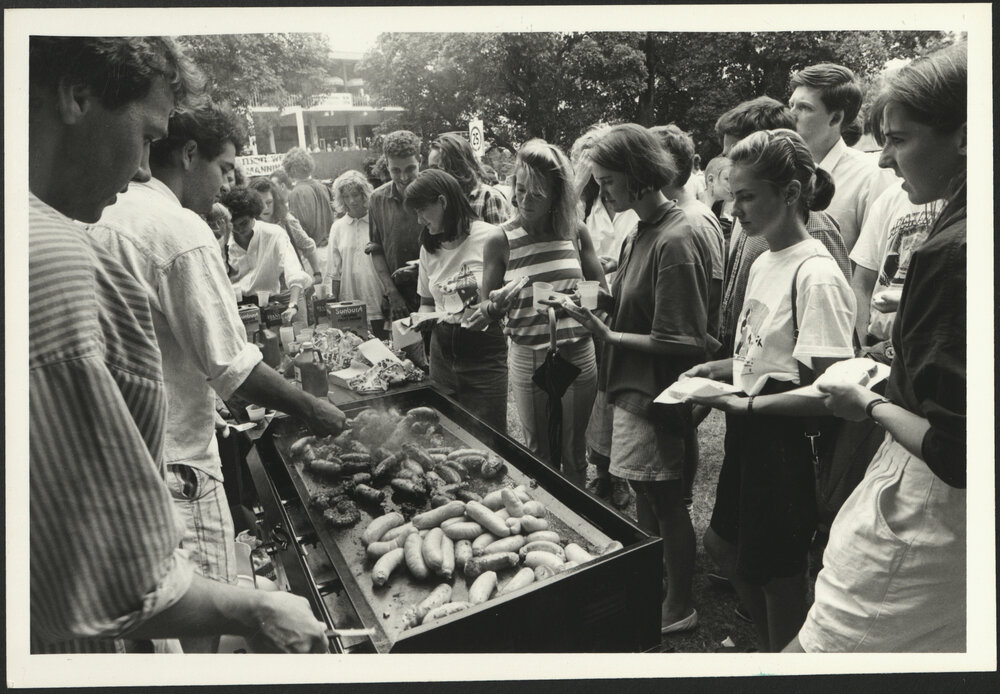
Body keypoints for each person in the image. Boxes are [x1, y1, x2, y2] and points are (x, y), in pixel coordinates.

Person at [28, 36, 327, 654]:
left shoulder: (82, 221)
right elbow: (113, 590)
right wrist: (256, 607)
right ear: (75, 97)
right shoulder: (74, 248)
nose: (142, 165)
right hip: (174, 486)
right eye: (143, 136)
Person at [88, 102, 348, 653]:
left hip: (123, 464)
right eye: (225, 167)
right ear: (187, 154)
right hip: (180, 465)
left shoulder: (101, 211)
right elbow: (236, 371)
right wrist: (314, 409)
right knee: (198, 632)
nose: (227, 184)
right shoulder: (179, 228)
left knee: (153, 638)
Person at [788, 42, 967, 653]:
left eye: (900, 139)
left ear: (966, 136)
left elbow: (957, 449)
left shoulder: (953, 252)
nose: (886, 160)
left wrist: (864, 403)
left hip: (928, 514)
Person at [684, 129, 857, 652]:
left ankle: (788, 660)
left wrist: (748, 401)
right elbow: (762, 353)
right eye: (732, 194)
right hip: (748, 430)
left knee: (780, 577)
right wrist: (724, 369)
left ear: (791, 193)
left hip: (785, 449)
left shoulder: (816, 274)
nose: (734, 209)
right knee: (722, 547)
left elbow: (833, 394)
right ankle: (771, 651)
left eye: (748, 195)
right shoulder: (763, 259)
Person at [562, 123, 714, 636]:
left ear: (638, 175)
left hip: (656, 395)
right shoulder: (639, 230)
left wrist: (609, 336)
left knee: (667, 503)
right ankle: (654, 583)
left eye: (607, 180)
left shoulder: (678, 237)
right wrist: (589, 302)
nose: (601, 191)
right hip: (630, 389)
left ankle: (678, 603)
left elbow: (686, 341)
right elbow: (633, 306)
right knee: (646, 496)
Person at [481, 139, 606, 487]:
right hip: (529, 354)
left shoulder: (575, 233)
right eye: (520, 191)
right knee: (538, 451)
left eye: (537, 194)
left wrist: (573, 300)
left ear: (557, 194)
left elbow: (602, 292)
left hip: (577, 351)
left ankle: (581, 523)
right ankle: (548, 526)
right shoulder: (500, 240)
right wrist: (497, 305)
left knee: (573, 449)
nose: (525, 201)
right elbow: (485, 308)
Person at [715, 97, 852, 360]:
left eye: (748, 196)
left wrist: (746, 404)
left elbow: (826, 362)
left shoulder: (817, 240)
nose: (728, 161)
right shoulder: (761, 238)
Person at [650, 124, 727, 510]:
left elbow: (710, 295)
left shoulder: (694, 219)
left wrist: (704, 352)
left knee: (681, 428)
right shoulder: (676, 214)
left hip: (692, 347)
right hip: (683, 344)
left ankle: (681, 498)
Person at [405, 169, 509, 431]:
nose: (419, 220)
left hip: (484, 353)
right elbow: (427, 302)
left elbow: (507, 297)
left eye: (421, 211)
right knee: (445, 432)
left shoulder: (491, 238)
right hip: (442, 353)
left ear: (442, 201)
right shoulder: (428, 248)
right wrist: (423, 319)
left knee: (491, 437)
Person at [568, 123, 637, 508]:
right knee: (595, 391)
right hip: (593, 302)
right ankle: (600, 469)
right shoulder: (585, 206)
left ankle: (617, 475)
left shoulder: (629, 200)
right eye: (584, 161)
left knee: (616, 392)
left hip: (624, 305)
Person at [789, 62, 895, 250]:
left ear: (836, 118)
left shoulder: (870, 177)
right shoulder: (784, 170)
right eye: (791, 105)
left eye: (804, 107)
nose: (791, 115)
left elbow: (875, 260)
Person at [848, 180, 943, 356]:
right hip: (878, 345)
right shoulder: (890, 197)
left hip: (932, 349)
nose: (883, 161)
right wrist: (860, 350)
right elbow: (862, 282)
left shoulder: (965, 202)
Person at [221, 186, 311, 324]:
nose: (238, 229)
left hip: (273, 302)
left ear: (253, 215)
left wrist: (293, 305)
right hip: (241, 307)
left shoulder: (274, 233)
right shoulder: (224, 240)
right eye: (234, 225)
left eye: (244, 223)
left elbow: (293, 270)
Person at [367, 130, 425, 321]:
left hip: (434, 294)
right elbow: (376, 250)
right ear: (387, 166)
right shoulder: (377, 199)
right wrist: (392, 293)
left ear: (420, 162)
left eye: (410, 169)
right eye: (395, 171)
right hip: (398, 299)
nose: (403, 177)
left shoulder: (434, 192)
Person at [325, 170, 385, 336]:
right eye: (346, 196)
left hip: (377, 296)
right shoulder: (337, 227)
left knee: (383, 344)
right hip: (349, 301)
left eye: (355, 194)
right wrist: (333, 302)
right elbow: (335, 270)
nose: (352, 201)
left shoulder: (377, 221)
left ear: (364, 194)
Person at [427, 132, 513, 225]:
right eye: (431, 169)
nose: (433, 175)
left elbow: (500, 238)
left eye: (438, 168)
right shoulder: (437, 203)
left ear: (458, 166)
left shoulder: (488, 198)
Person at [249, 177, 322, 277]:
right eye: (259, 203)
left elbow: (308, 246)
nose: (265, 207)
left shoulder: (286, 221)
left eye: (269, 202)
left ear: (276, 200)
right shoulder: (248, 224)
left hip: (290, 285)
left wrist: (317, 273)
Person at [282, 146, 335, 248]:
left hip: (313, 251)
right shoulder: (323, 186)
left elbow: (299, 231)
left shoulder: (296, 193)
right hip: (330, 248)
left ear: (291, 169)